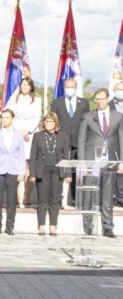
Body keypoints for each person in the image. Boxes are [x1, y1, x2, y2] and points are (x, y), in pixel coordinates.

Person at [77, 88, 123, 238]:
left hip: (110, 161)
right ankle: (88, 224)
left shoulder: (118, 117)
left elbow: (122, 140)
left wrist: (121, 161)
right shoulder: (88, 117)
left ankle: (107, 226)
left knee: (108, 194)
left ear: (108, 99)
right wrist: (82, 162)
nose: (99, 102)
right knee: (90, 191)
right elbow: (81, 140)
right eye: (97, 99)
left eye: (102, 99)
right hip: (92, 161)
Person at [28, 112, 71, 236]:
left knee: (55, 199)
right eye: (46, 121)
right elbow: (33, 156)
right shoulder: (37, 136)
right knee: (42, 199)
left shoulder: (62, 136)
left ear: (56, 123)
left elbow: (66, 156)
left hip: (58, 171)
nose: (48, 123)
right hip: (42, 170)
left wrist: (68, 174)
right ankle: (41, 225)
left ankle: (53, 226)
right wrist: (32, 173)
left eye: (51, 121)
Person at [50, 77, 90, 207]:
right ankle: (58, 199)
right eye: (67, 87)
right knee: (61, 170)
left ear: (76, 87)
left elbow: (87, 121)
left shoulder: (83, 102)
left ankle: (75, 198)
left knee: (77, 170)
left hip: (78, 142)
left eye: (72, 87)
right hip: (61, 141)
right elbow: (53, 120)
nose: (69, 89)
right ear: (64, 87)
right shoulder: (57, 102)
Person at [5, 76, 42, 207]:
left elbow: (37, 117)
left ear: (31, 86)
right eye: (23, 85)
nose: (25, 87)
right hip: (16, 132)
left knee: (28, 165)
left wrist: (28, 131)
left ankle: (27, 195)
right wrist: (19, 131)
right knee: (16, 164)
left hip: (30, 134)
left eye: (27, 85)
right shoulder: (15, 98)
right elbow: (7, 112)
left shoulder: (36, 99)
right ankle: (16, 196)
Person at [0, 109, 26, 235]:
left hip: (13, 170)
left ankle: (10, 226)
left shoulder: (18, 135)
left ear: (12, 119)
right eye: (3, 117)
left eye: (7, 117)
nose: (4, 120)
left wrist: (21, 172)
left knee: (11, 200)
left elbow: (21, 154)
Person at [108, 81, 123, 207]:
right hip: (114, 141)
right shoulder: (108, 105)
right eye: (118, 89)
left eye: (122, 89)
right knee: (116, 169)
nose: (120, 91)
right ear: (114, 90)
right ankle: (117, 197)